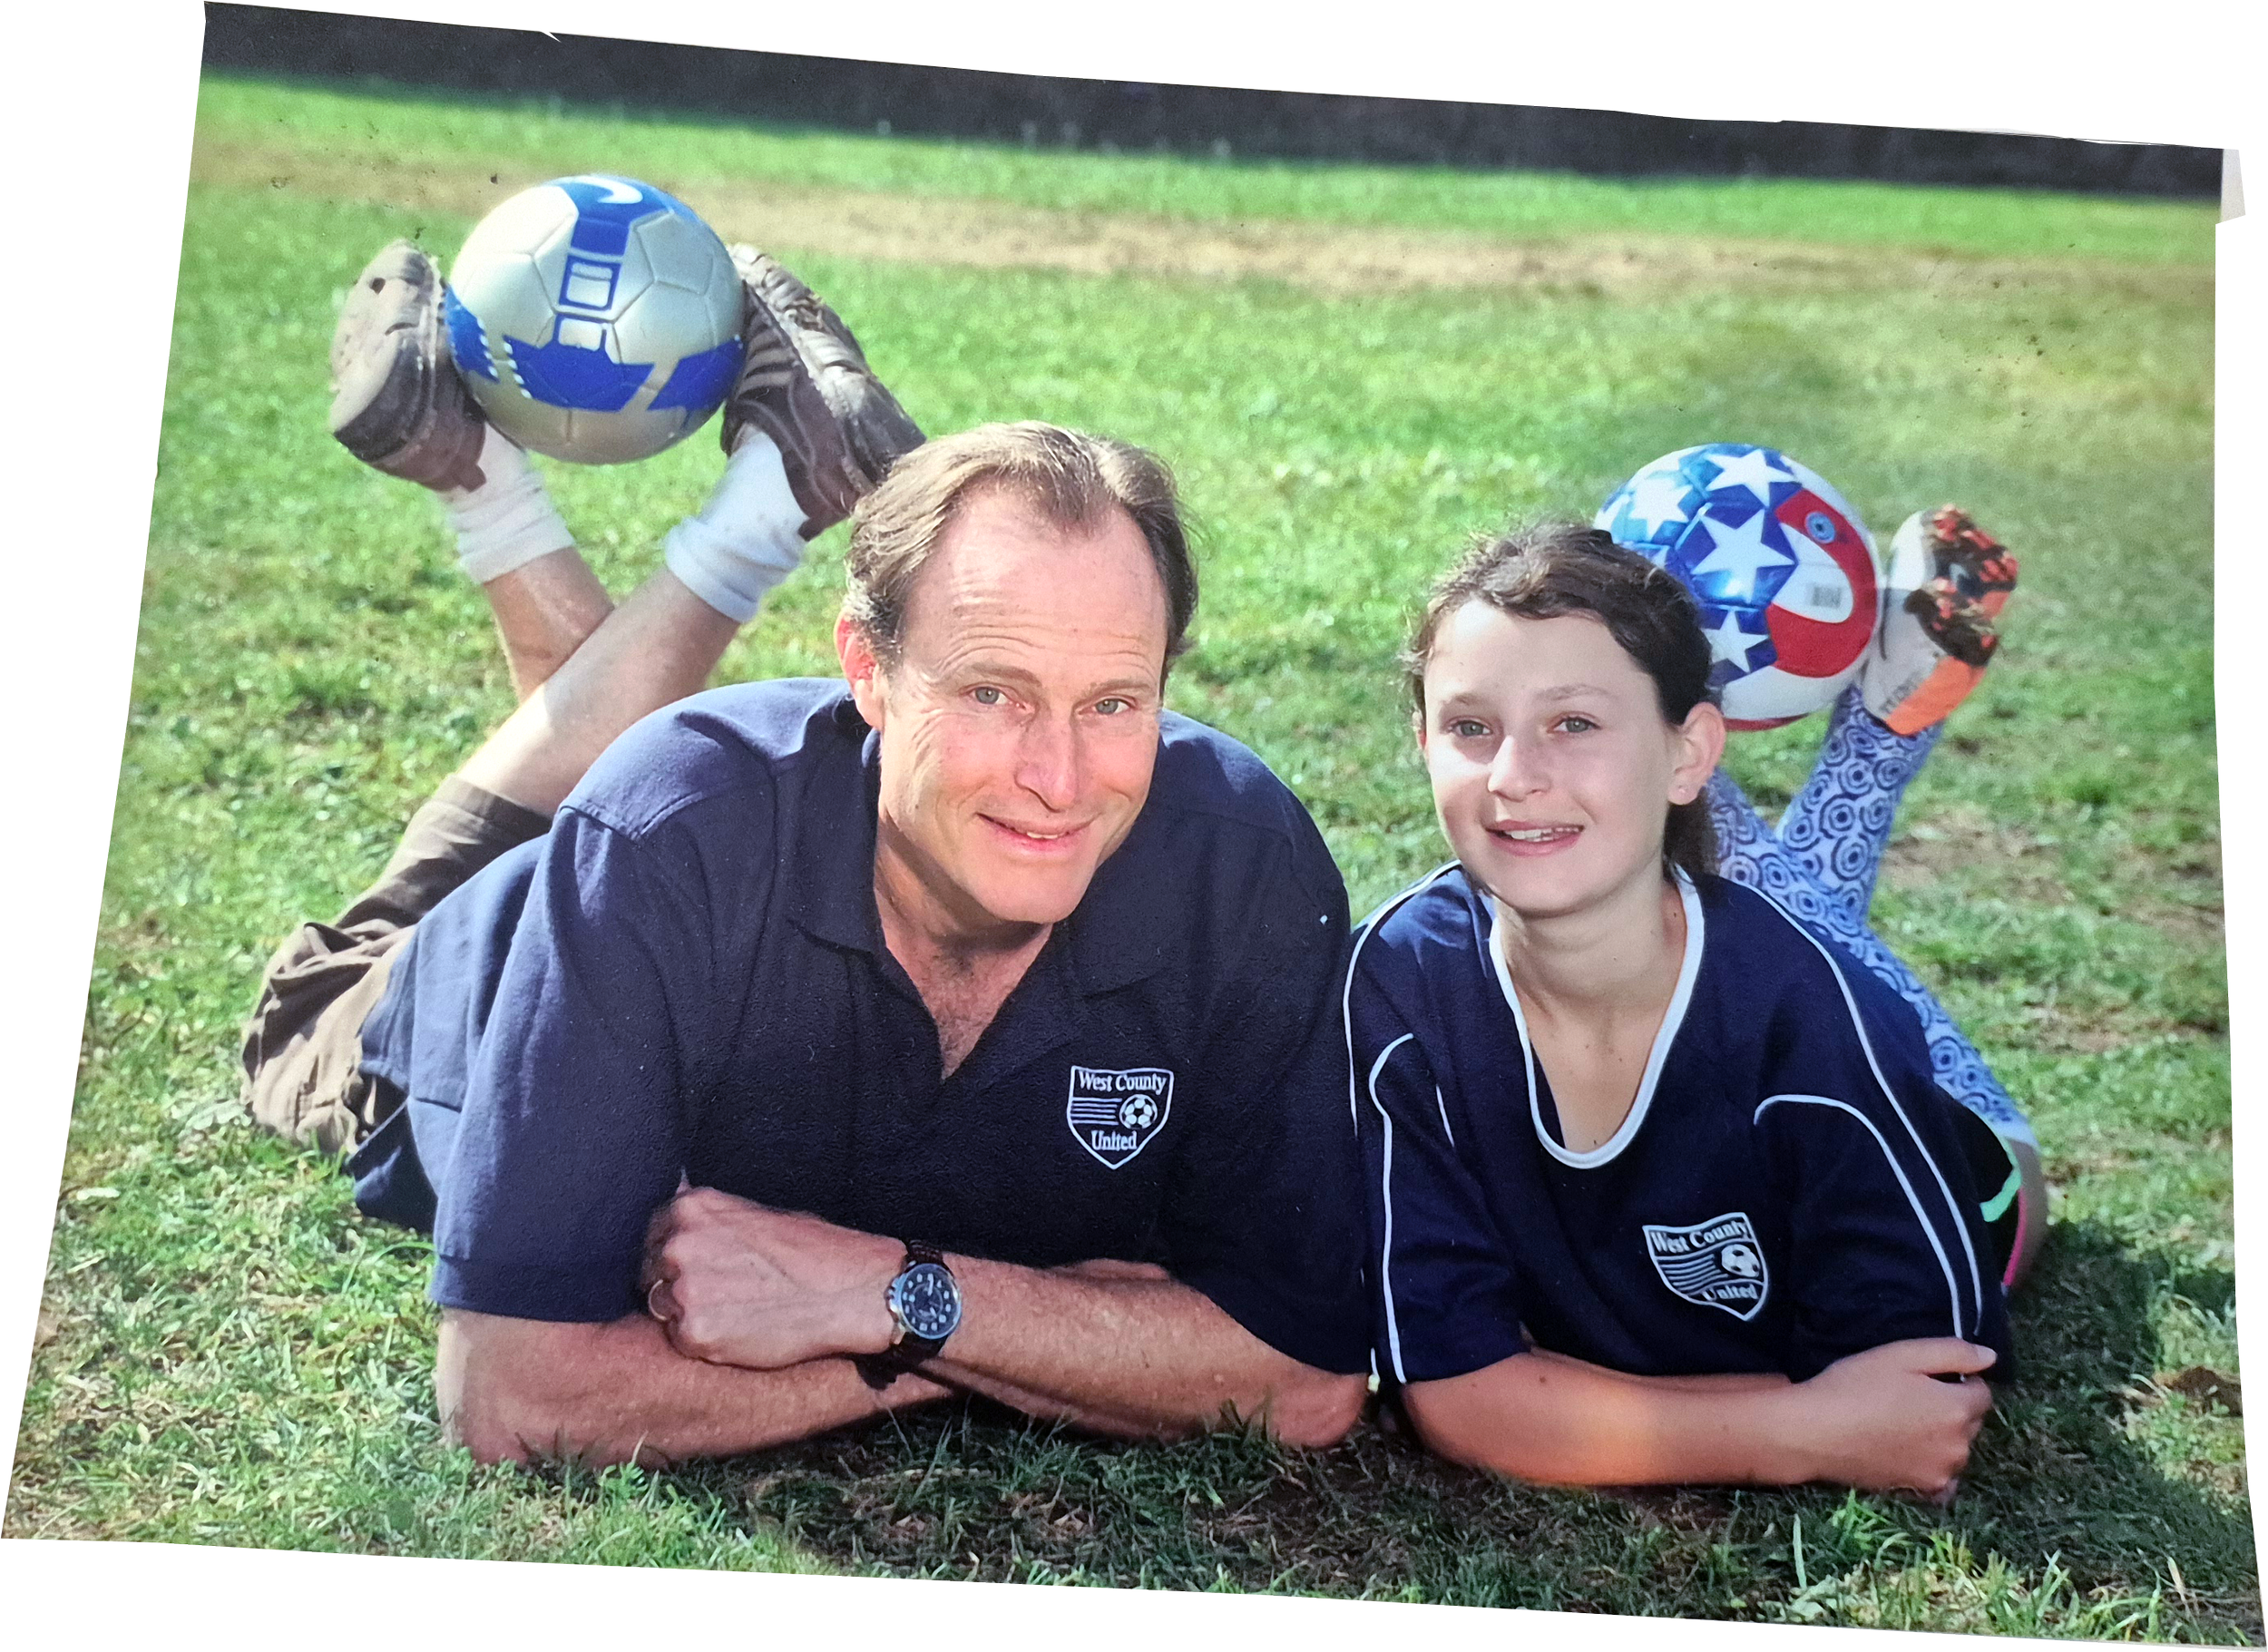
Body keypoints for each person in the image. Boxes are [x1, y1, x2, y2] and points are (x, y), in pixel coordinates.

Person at [243, 240, 1371, 1465]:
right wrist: (1013, 1348)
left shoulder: (1241, 864)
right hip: (457, 972)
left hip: (678, 845)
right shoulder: (668, 830)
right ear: (865, 671)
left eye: (1113, 702)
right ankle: (564, 500)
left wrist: (886, 1292)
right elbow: (518, 1397)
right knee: (336, 976)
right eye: (992, 692)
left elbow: (1305, 1383)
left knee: (641, 782)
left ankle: (729, 495)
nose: (1061, 777)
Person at [1344, 523, 2015, 1497]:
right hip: (1732, 940)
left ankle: (1869, 749)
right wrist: (1797, 1429)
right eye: (1469, 728)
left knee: (1992, 1156)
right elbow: (1460, 1400)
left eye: (1573, 723)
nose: (1511, 775)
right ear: (1423, 746)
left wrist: (1558, 1390)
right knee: (1718, 897)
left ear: (1691, 748)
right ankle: (1844, 744)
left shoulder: (1816, 1021)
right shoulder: (1404, 979)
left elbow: (1925, 1406)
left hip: (1971, 1162)